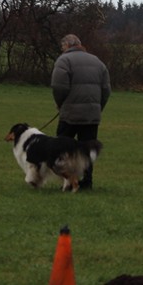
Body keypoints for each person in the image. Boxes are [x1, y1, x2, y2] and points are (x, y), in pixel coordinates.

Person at [51, 33, 111, 190]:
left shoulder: (64, 60)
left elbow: (58, 87)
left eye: (62, 47)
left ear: (66, 46)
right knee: (87, 149)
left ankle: (68, 181)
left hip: (69, 115)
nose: (62, 50)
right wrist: (97, 108)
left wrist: (60, 104)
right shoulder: (97, 61)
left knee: (62, 148)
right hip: (91, 115)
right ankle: (87, 181)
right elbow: (106, 90)